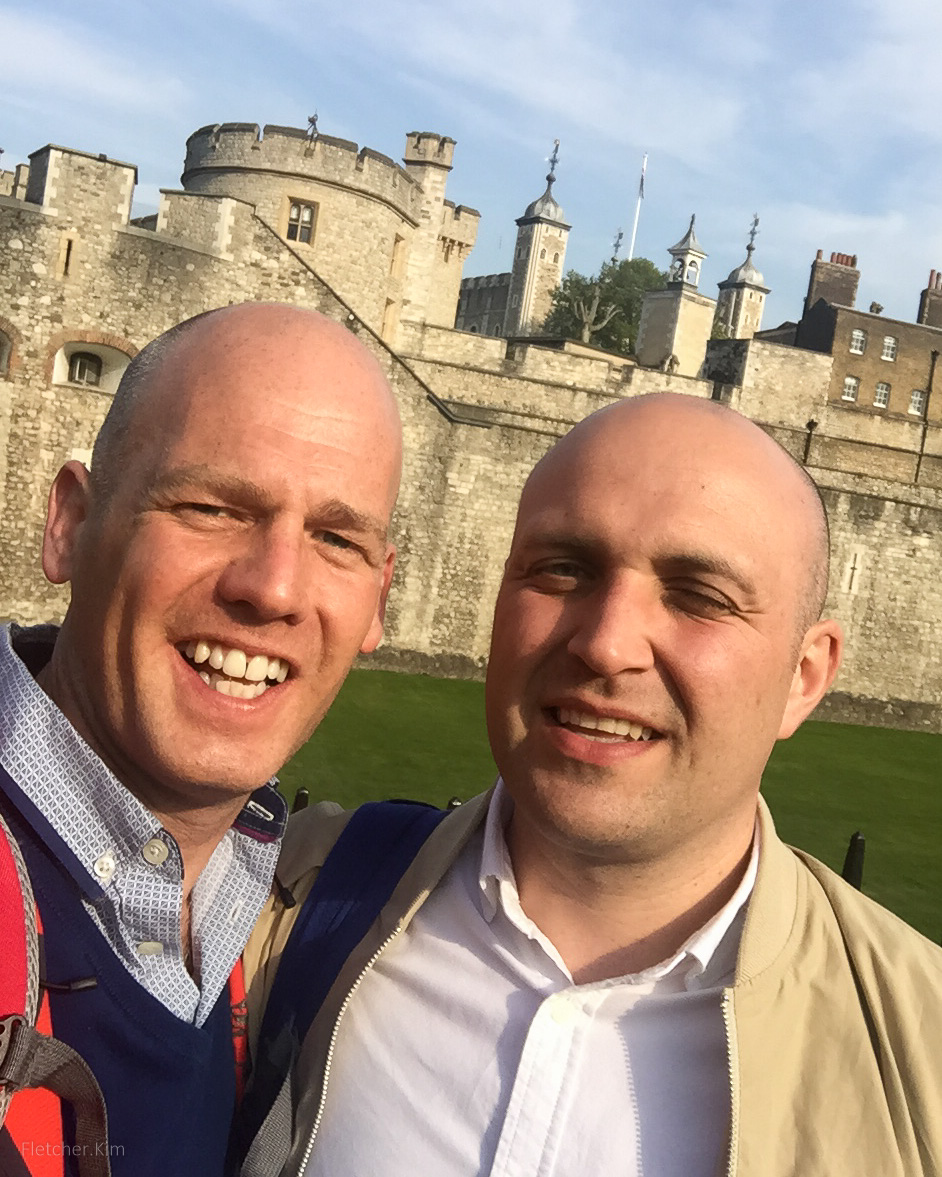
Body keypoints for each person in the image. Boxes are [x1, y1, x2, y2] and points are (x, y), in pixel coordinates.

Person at [242, 392, 942, 1177]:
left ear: (804, 677)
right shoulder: (270, 899)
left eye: (698, 596)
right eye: (563, 569)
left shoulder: (921, 1054)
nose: (607, 643)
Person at [0, 303, 402, 1176]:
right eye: (211, 506)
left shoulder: (263, 901)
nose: (275, 588)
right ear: (70, 524)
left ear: (377, 599)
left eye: (336, 538)